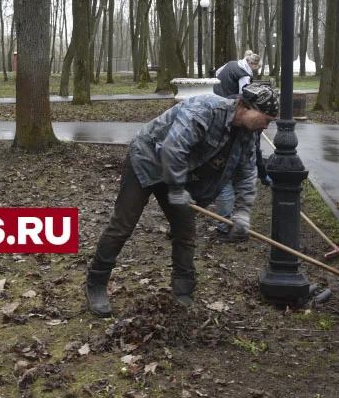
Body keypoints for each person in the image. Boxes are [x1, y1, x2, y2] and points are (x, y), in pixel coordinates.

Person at [84, 82, 280, 317]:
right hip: (147, 158)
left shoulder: (249, 133)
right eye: (266, 118)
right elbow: (173, 148)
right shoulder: (205, 109)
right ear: (247, 107)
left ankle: (183, 293)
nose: (268, 125)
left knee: (185, 232)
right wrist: (177, 188)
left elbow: (246, 171)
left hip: (179, 172)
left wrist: (242, 212)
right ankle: (96, 283)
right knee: (122, 226)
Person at [212, 50, 269, 236]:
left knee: (230, 178)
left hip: (223, 105)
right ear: (252, 64)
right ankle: (224, 227)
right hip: (232, 117)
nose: (256, 70)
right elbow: (247, 95)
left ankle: (228, 224)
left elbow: (217, 75)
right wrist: (262, 171)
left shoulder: (229, 64)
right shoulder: (245, 75)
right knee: (226, 181)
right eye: (256, 66)